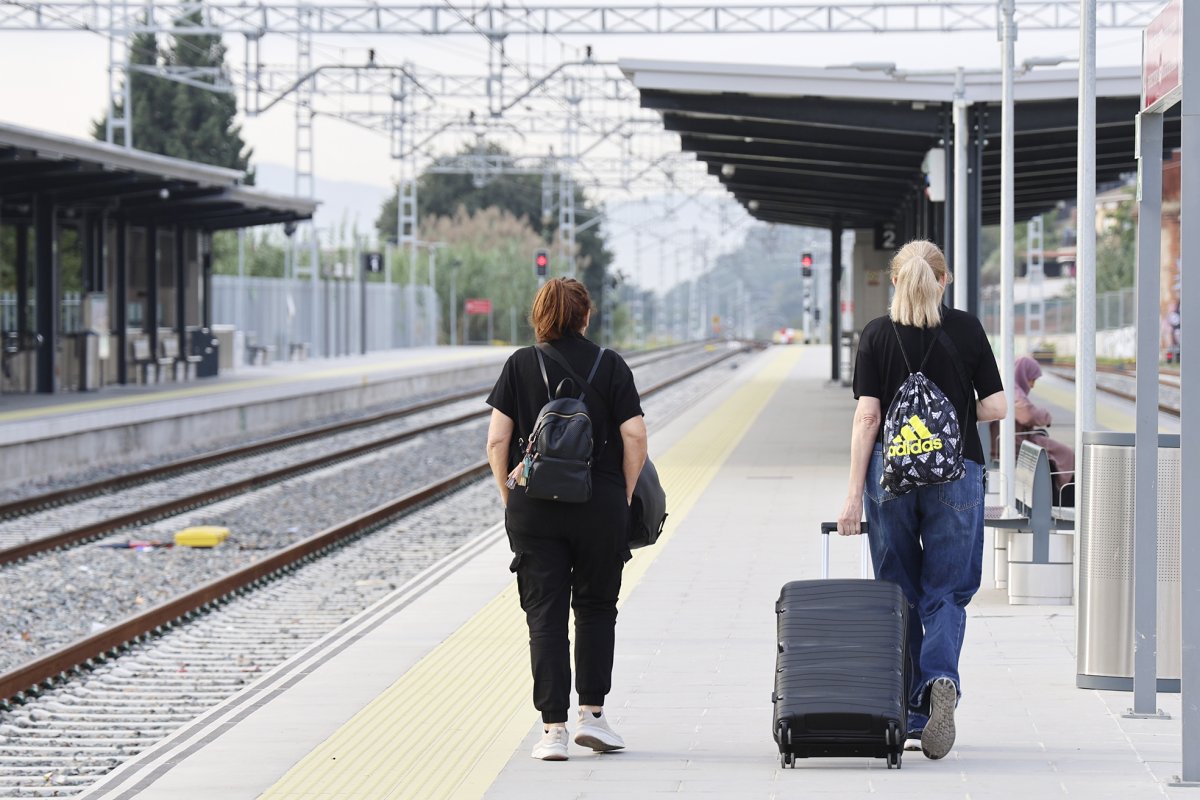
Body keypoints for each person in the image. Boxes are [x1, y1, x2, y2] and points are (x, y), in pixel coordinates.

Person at [837, 240, 1006, 761]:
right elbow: (998, 405)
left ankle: (912, 711)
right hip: (957, 474)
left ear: (894, 281)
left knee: (899, 591)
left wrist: (850, 499)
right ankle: (941, 681)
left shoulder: (875, 335)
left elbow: (868, 418)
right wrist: (952, 417)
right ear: (945, 280)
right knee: (948, 592)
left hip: (891, 476)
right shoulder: (967, 329)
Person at [485, 277, 648, 762]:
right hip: (598, 505)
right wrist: (622, 494)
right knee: (597, 607)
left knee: (545, 617)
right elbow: (635, 437)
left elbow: (497, 442)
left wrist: (509, 497)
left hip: (534, 508)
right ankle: (593, 718)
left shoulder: (520, 363)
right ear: (585, 316)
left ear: (539, 315)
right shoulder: (610, 364)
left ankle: (552, 731)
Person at [990, 356, 1076, 505]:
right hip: (1015, 443)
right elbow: (1028, 414)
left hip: (1012, 440)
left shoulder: (1006, 385)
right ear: (1023, 375)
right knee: (1064, 453)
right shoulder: (1012, 391)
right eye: (1032, 379)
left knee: (1058, 452)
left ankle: (1061, 495)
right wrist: (1046, 416)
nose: (1032, 385)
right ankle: (1063, 499)